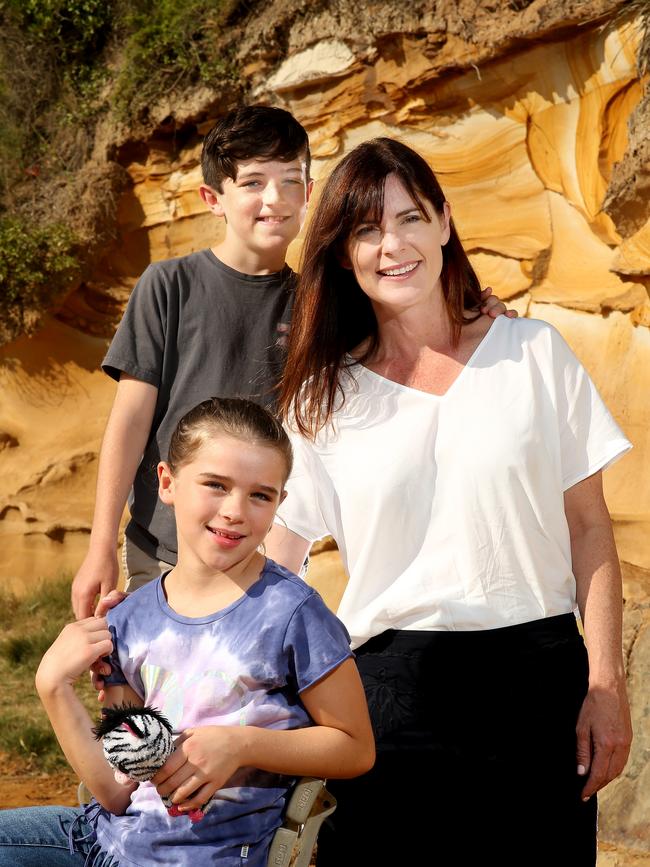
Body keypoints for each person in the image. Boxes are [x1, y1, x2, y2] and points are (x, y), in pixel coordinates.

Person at [264, 137, 633, 866]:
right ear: (342, 254)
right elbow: (281, 554)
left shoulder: (534, 353)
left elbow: (590, 528)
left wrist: (606, 684)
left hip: (539, 688)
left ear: (445, 221)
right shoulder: (319, 398)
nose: (391, 244)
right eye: (366, 230)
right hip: (389, 697)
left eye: (409, 218)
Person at [70, 104, 514, 620]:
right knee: (156, 697)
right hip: (165, 552)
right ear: (213, 198)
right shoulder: (169, 286)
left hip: (266, 559)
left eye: (290, 181)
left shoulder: (323, 305)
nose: (274, 199)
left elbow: (408, 328)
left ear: (309, 193)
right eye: (253, 182)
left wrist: (476, 310)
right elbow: (130, 421)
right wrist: (101, 542)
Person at [0, 397, 375, 866]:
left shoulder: (292, 613)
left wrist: (241, 744)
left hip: (206, 855)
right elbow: (118, 790)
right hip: (99, 842)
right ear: (167, 482)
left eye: (261, 494)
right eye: (216, 485)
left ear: (281, 501)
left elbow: (355, 748)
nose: (236, 510)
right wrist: (52, 686)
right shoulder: (129, 619)